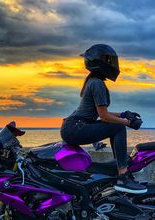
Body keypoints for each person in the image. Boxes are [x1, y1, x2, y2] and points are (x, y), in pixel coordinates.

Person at [60, 44, 147, 194]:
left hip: (74, 126)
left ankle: (120, 168)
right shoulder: (97, 83)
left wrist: (124, 114)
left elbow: (103, 112)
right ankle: (123, 176)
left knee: (115, 126)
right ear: (101, 63)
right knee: (118, 128)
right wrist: (127, 123)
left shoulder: (93, 81)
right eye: (109, 60)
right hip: (76, 128)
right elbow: (104, 116)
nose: (112, 64)